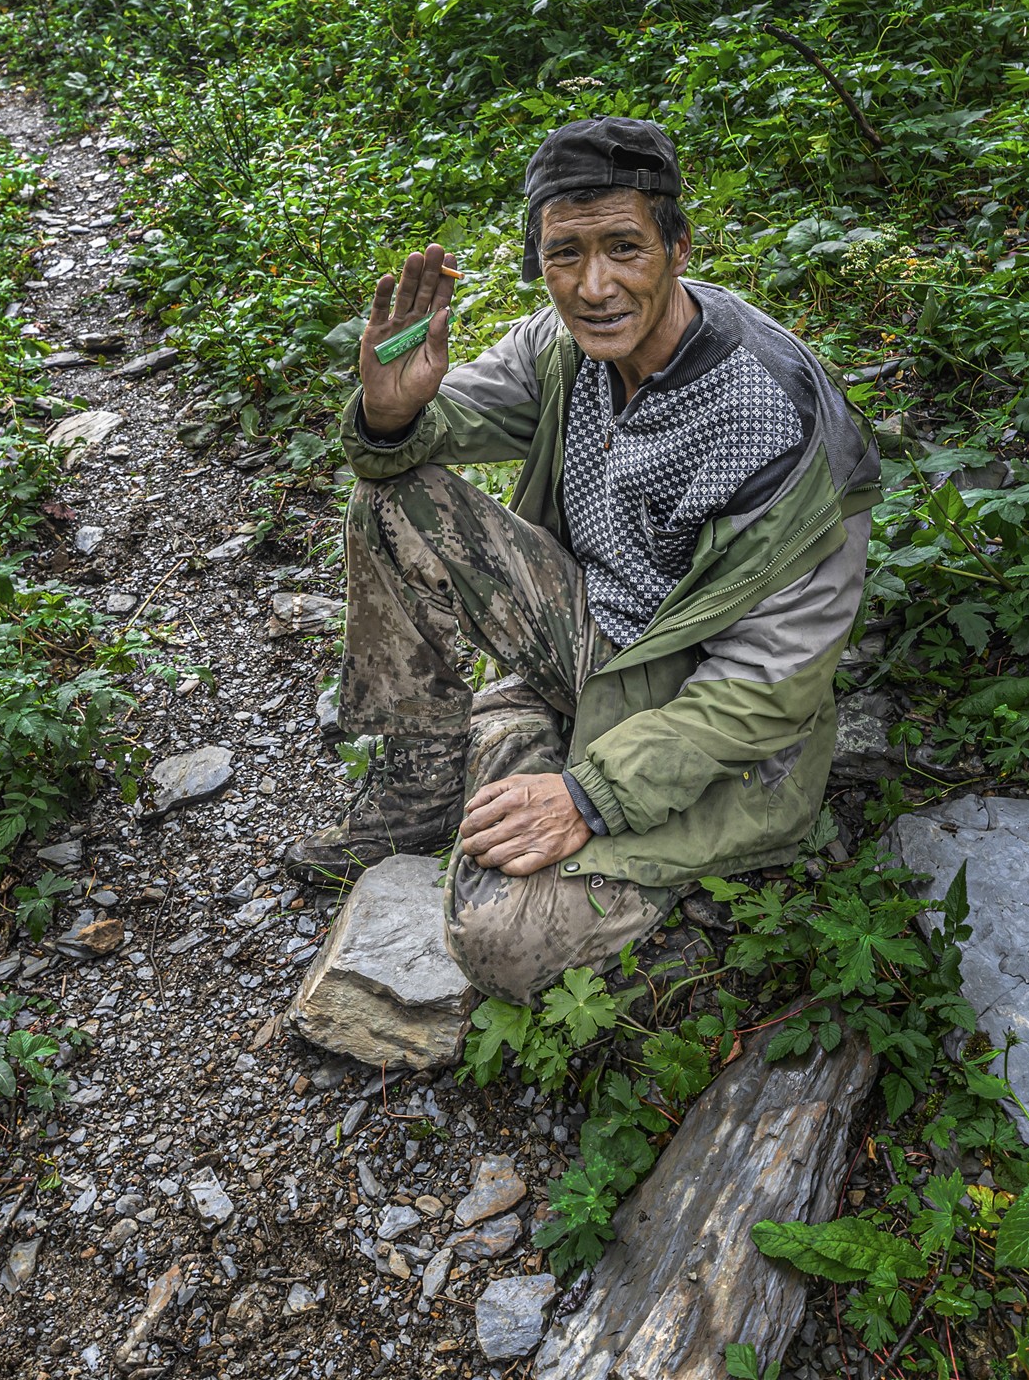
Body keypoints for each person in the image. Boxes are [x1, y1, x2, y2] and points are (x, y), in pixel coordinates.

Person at [284, 117, 881, 1003]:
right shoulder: (564, 347)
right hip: (592, 634)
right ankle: (425, 782)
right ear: (541, 261)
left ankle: (523, 755)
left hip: (705, 712)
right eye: (565, 254)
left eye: (624, 248)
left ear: (678, 248)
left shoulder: (772, 418)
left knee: (499, 942)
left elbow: (769, 683)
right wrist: (392, 410)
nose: (595, 286)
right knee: (391, 495)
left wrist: (589, 796)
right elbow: (440, 423)